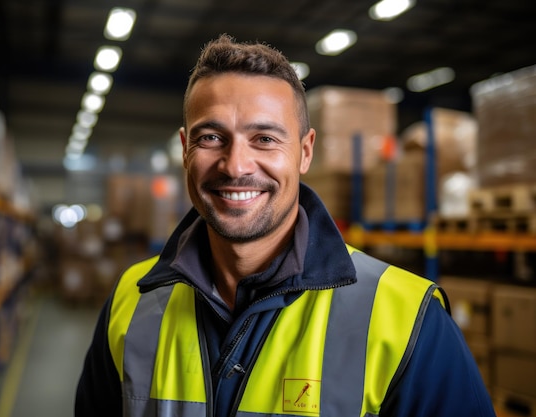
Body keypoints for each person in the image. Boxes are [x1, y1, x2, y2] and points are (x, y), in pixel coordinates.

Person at [75, 34, 496, 417]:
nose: (236, 165)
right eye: (211, 138)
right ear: (185, 149)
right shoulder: (130, 304)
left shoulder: (407, 320)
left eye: (265, 139)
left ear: (305, 152)